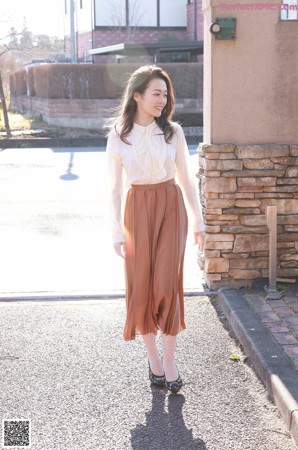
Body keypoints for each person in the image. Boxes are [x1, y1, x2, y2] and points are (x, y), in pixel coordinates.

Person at [106, 65, 204, 393]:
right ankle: (154, 360)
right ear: (137, 95)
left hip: (171, 206)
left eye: (165, 94)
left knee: (166, 284)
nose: (162, 100)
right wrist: (117, 231)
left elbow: (187, 180)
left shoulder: (173, 132)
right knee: (142, 286)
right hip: (137, 210)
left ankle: (171, 359)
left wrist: (199, 224)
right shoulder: (119, 136)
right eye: (156, 93)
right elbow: (114, 189)